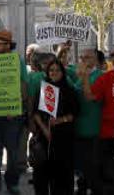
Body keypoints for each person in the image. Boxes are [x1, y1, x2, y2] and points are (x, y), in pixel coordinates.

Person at [80, 43, 114, 195]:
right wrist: (85, 78)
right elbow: (90, 97)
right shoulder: (106, 77)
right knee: (100, 170)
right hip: (107, 132)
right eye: (112, 56)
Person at [0, 29, 28, 194]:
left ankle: (12, 182)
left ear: (7, 45)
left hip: (12, 115)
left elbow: (24, 86)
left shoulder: (18, 61)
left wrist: (15, 107)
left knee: (13, 151)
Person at [31, 59, 79, 195]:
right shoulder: (43, 89)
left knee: (62, 173)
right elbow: (36, 113)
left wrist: (59, 120)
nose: (54, 73)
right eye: (51, 70)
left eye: (57, 70)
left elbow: (74, 113)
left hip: (63, 138)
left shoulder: (69, 91)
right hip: (44, 138)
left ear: (62, 72)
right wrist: (45, 129)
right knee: (41, 172)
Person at [73, 49, 103, 195]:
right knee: (80, 163)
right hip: (78, 127)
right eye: (81, 57)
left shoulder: (100, 76)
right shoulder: (77, 76)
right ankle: (82, 186)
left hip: (94, 127)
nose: (84, 60)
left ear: (96, 60)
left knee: (92, 164)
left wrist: (84, 78)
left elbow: (89, 97)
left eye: (88, 57)